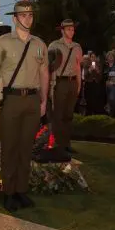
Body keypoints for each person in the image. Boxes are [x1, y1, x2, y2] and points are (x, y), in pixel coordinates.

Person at [0, 0, 49, 213]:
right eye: (23, 15)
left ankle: (21, 190)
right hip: (10, 99)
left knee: (25, 147)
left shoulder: (40, 44)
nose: (28, 19)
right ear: (14, 18)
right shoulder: (2, 42)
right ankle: (9, 192)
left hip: (32, 99)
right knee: (10, 147)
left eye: (31, 15)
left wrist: (44, 100)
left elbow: (44, 73)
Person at [48, 19, 82, 154]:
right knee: (58, 115)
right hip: (60, 82)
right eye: (68, 29)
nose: (71, 31)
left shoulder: (77, 47)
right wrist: (51, 85)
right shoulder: (54, 46)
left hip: (72, 81)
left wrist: (79, 84)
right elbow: (49, 67)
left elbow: (78, 67)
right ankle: (58, 144)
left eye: (73, 29)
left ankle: (66, 143)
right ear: (62, 31)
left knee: (69, 115)